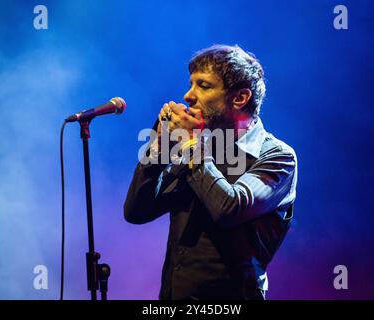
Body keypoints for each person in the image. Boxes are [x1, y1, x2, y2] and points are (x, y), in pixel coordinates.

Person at [124, 44, 297, 300]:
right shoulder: (199, 146)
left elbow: (229, 208)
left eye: (203, 86)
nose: (188, 96)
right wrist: (160, 148)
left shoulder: (276, 157)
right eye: (191, 84)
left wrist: (190, 144)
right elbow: (137, 211)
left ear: (240, 98)